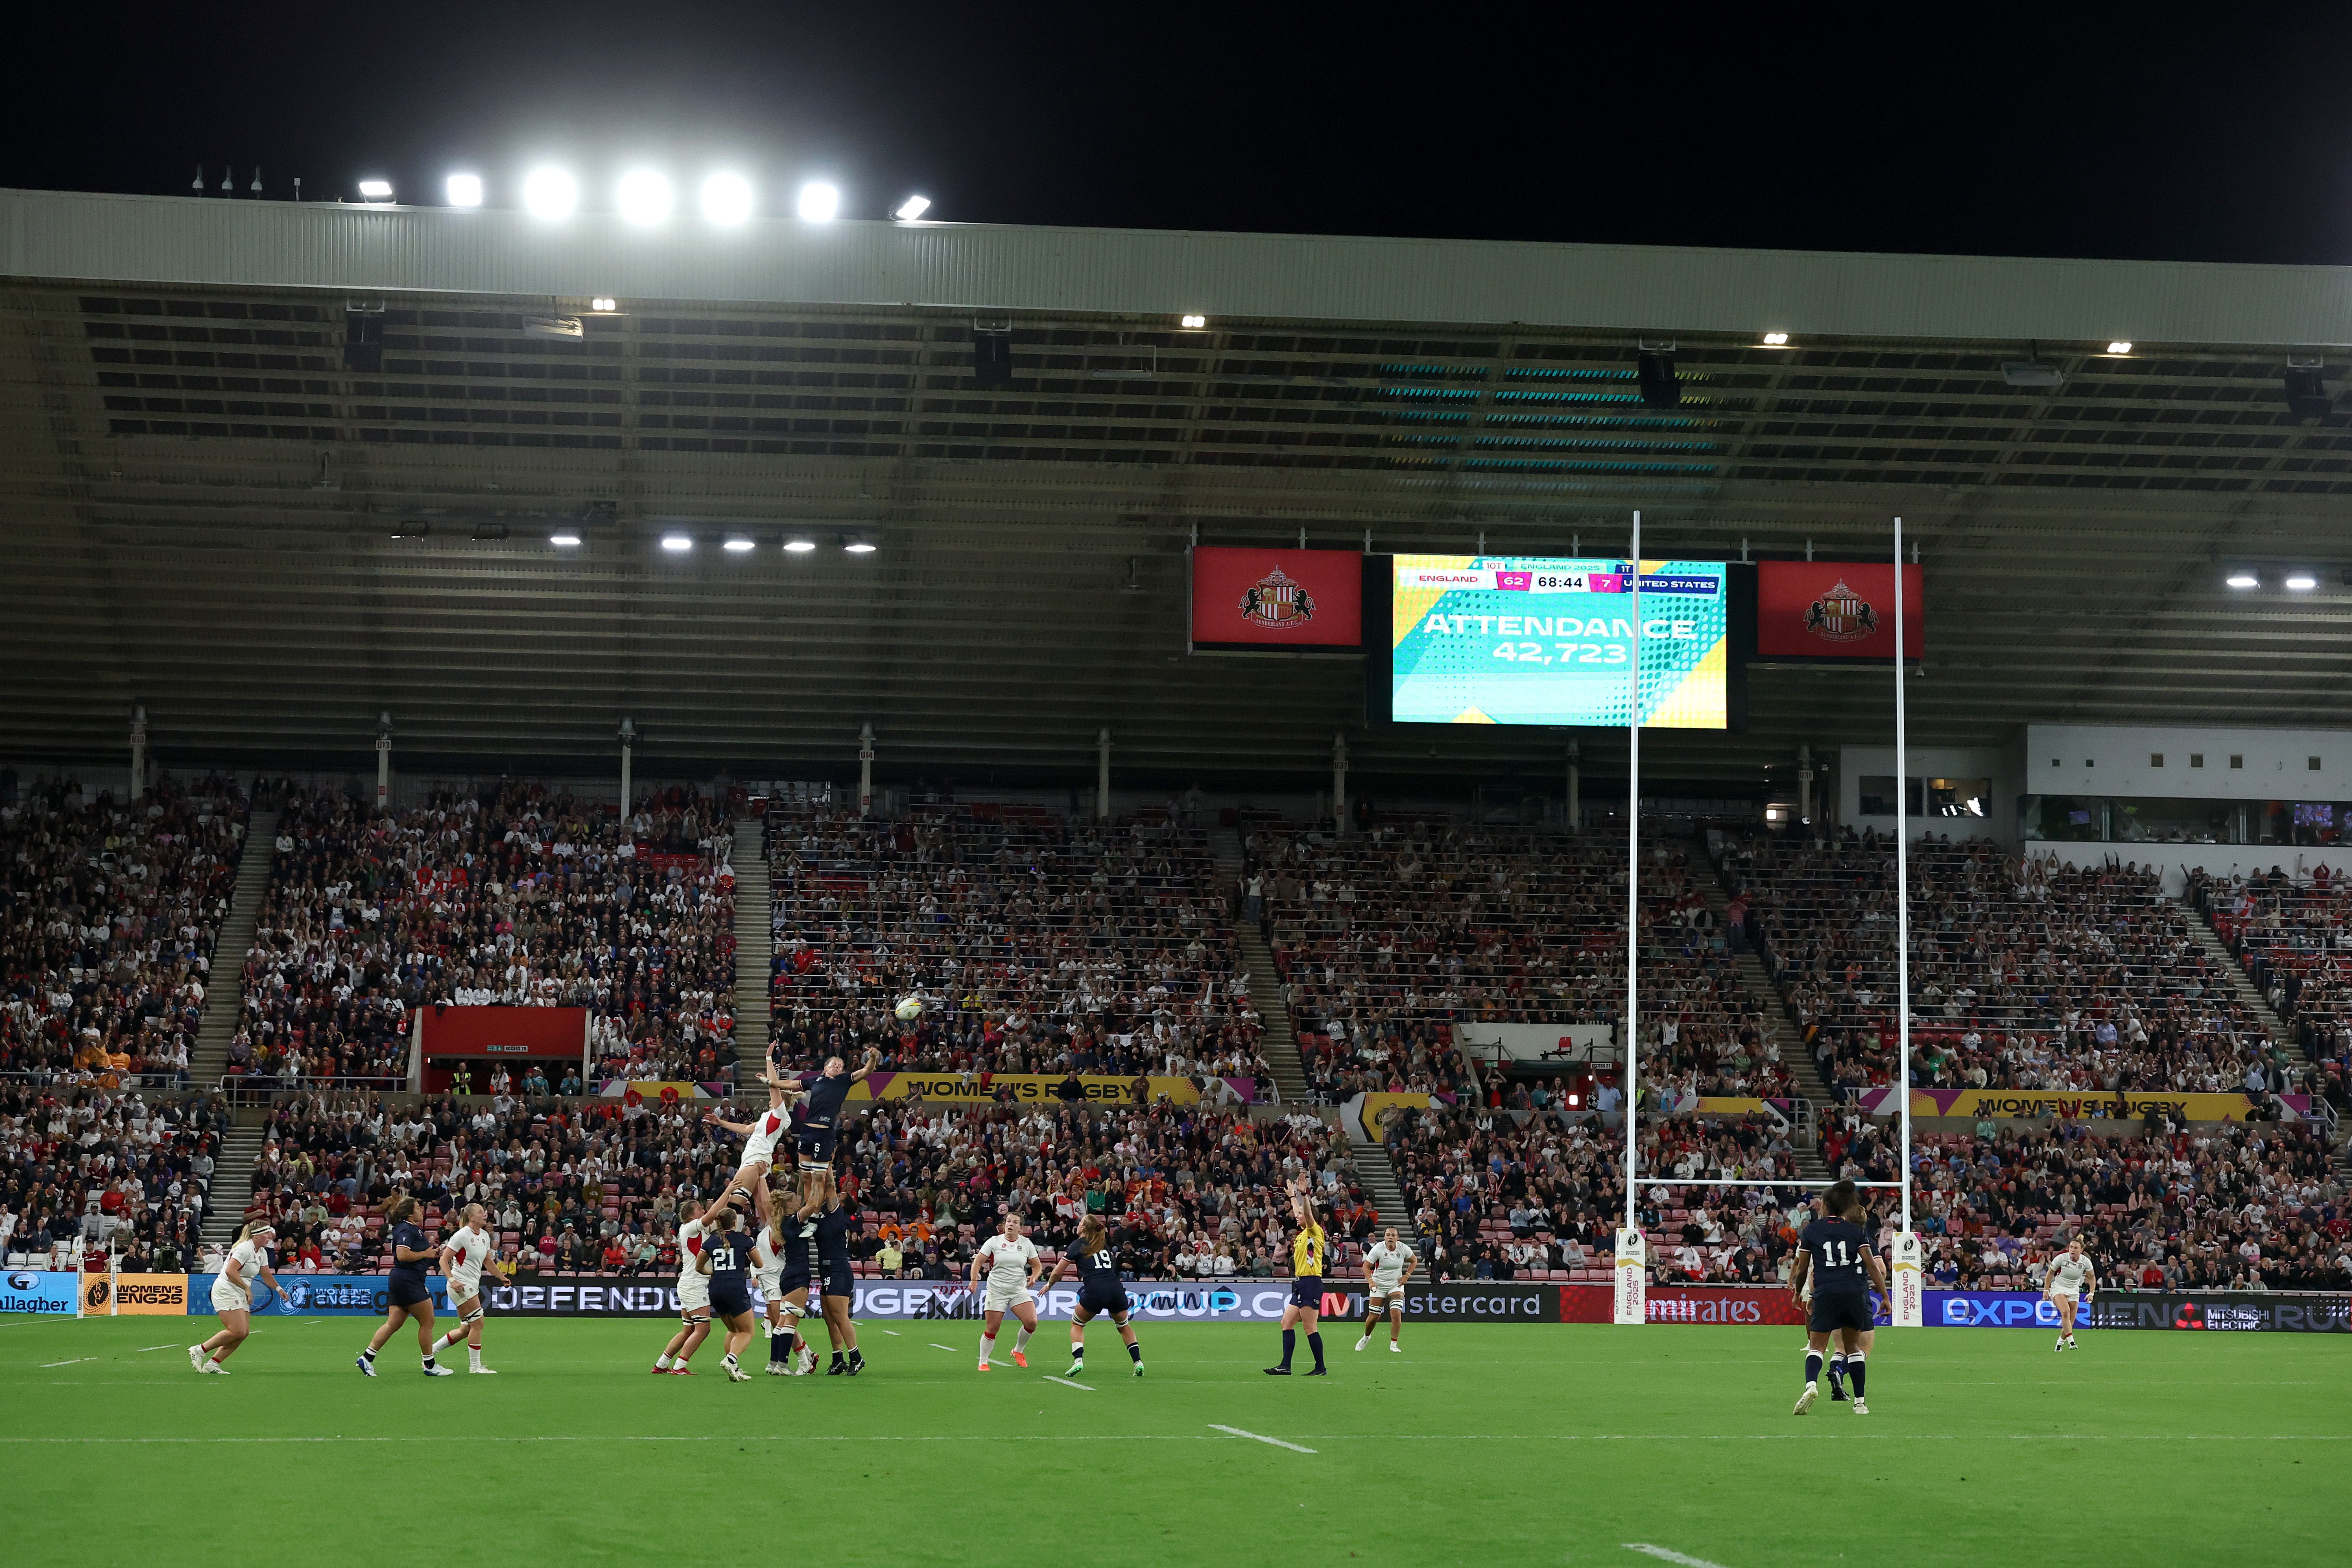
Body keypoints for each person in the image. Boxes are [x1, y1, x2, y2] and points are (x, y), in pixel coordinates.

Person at [1789, 1181, 1889, 1416]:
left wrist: (1798, 1293)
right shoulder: (1856, 1231)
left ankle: (1811, 1386)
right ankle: (1860, 1403)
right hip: (1855, 1292)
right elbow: (1873, 1267)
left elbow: (1803, 1269)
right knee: (1854, 1348)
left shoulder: (1812, 1231)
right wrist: (1885, 1296)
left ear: (1824, 1206)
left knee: (1817, 1346)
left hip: (1827, 1290)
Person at [358, 1196, 452, 1377]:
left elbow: (413, 1253)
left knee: (393, 1323)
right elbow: (402, 1255)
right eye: (418, 1208)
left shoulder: (410, 1229)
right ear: (410, 1213)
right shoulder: (406, 1229)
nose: (421, 1210)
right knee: (427, 1322)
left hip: (404, 1279)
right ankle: (430, 1365)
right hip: (409, 1280)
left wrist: (431, 1253)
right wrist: (426, 1252)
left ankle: (367, 1358)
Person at [1043, 1213, 1143, 1378]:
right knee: (1124, 1327)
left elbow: (1057, 1272)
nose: (1079, 1224)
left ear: (1083, 1228)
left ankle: (1078, 1361)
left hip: (1096, 1289)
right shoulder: (1103, 1243)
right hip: (1115, 1287)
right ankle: (1138, 1362)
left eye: (1081, 1222)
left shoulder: (1077, 1245)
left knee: (1077, 1324)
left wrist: (1048, 1286)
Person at [703, 1071, 801, 1230]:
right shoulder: (767, 1117)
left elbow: (774, 1088)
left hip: (757, 1158)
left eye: (775, 1098)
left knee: (735, 1203)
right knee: (759, 1203)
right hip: (753, 1157)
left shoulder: (781, 1115)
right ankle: (768, 1232)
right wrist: (721, 1122)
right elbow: (747, 1128)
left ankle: (723, 1235)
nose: (771, 1100)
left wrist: (769, 1065)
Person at [792, 1048, 882, 1215]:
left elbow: (867, 1070)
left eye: (841, 1066)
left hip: (825, 1134)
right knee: (806, 1178)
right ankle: (808, 1212)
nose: (839, 1068)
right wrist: (771, 1082)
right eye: (835, 1065)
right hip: (808, 1132)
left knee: (823, 1180)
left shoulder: (844, 1080)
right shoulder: (815, 1080)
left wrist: (874, 1056)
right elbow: (791, 1085)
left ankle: (815, 1214)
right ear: (826, 1067)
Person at [190, 1221, 285, 1375]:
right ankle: (199, 1350)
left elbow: (266, 1274)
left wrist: (279, 1289)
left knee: (243, 1333)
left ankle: (213, 1364)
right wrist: (247, 1288)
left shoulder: (261, 1252)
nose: (270, 1237)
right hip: (226, 1289)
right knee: (238, 1331)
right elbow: (230, 1271)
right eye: (267, 1233)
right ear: (257, 1235)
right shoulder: (244, 1249)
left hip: (239, 1290)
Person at [430, 1202, 508, 1374]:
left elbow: (487, 1261)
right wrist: (452, 1280)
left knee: (466, 1329)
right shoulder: (461, 1235)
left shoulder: (485, 1236)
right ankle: (475, 1367)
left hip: (472, 1285)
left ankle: (430, 1352)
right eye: (481, 1212)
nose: (485, 1214)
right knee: (478, 1323)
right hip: (461, 1285)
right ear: (471, 1217)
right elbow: (444, 1260)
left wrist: (501, 1277)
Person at [1264, 1188, 1330, 1376]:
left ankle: (1321, 1367)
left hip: (1311, 1283)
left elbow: (1308, 1214)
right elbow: (1301, 1212)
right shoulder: (1302, 1234)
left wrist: (1304, 1195)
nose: (1297, 1216)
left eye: (1300, 1214)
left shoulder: (1314, 1231)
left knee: (1310, 1327)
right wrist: (1293, 1197)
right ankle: (1286, 1366)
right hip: (1301, 1283)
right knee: (1286, 1323)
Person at [972, 1212, 1043, 1371]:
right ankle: (983, 1361)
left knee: (1032, 1322)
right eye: (1009, 1221)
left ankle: (1018, 1351)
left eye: (1015, 1222)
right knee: (992, 1328)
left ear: (1021, 1228)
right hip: (997, 1290)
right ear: (1005, 1225)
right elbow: (978, 1261)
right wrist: (974, 1280)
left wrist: (1035, 1276)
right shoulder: (994, 1241)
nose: (1011, 1225)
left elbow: (1037, 1265)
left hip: (1018, 1289)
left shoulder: (1026, 1244)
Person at [700, 1196, 760, 1382]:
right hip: (734, 1287)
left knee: (734, 1330)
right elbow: (759, 1263)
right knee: (748, 1332)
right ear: (735, 1222)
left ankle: (734, 1368)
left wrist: (717, 1271)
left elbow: (699, 1268)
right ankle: (730, 1360)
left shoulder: (711, 1241)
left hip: (716, 1288)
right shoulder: (744, 1240)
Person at [652, 1199, 712, 1374]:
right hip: (695, 1284)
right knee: (704, 1328)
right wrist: (730, 1190)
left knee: (689, 1329)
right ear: (691, 1215)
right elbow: (712, 1215)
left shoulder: (692, 1229)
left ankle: (662, 1364)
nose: (703, 1210)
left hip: (688, 1283)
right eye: (700, 1209)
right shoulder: (691, 1227)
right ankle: (680, 1365)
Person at [812, 1177, 865, 1376]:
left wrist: (826, 1163)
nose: (836, 1195)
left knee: (840, 1317)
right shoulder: (826, 1213)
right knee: (829, 1318)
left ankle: (857, 1358)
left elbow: (829, 1186)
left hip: (838, 1269)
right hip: (825, 1269)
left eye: (840, 1195)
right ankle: (838, 1359)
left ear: (842, 1203)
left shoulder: (837, 1212)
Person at [1355, 1226, 1416, 1353]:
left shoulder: (1404, 1248)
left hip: (1396, 1285)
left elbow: (1414, 1261)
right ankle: (1367, 1337)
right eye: (1388, 1235)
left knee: (1396, 1313)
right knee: (1374, 1317)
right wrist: (1371, 1281)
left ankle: (1394, 1344)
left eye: (1393, 1235)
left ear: (1397, 1238)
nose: (1390, 1237)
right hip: (1379, 1284)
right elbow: (1366, 1267)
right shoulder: (1378, 1249)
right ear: (1385, 1237)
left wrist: (1407, 1276)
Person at [2046, 1233, 2097, 1352]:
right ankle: (2072, 1342)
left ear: (2082, 1250)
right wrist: (2046, 1290)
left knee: (2071, 1322)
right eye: (2071, 1247)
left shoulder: (2086, 1262)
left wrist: (2091, 1293)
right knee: (2065, 1311)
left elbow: (2092, 1277)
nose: (2072, 1250)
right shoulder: (2062, 1258)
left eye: (2076, 1248)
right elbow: (2050, 1274)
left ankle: (2059, 1344)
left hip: (2074, 1290)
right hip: (2059, 1287)